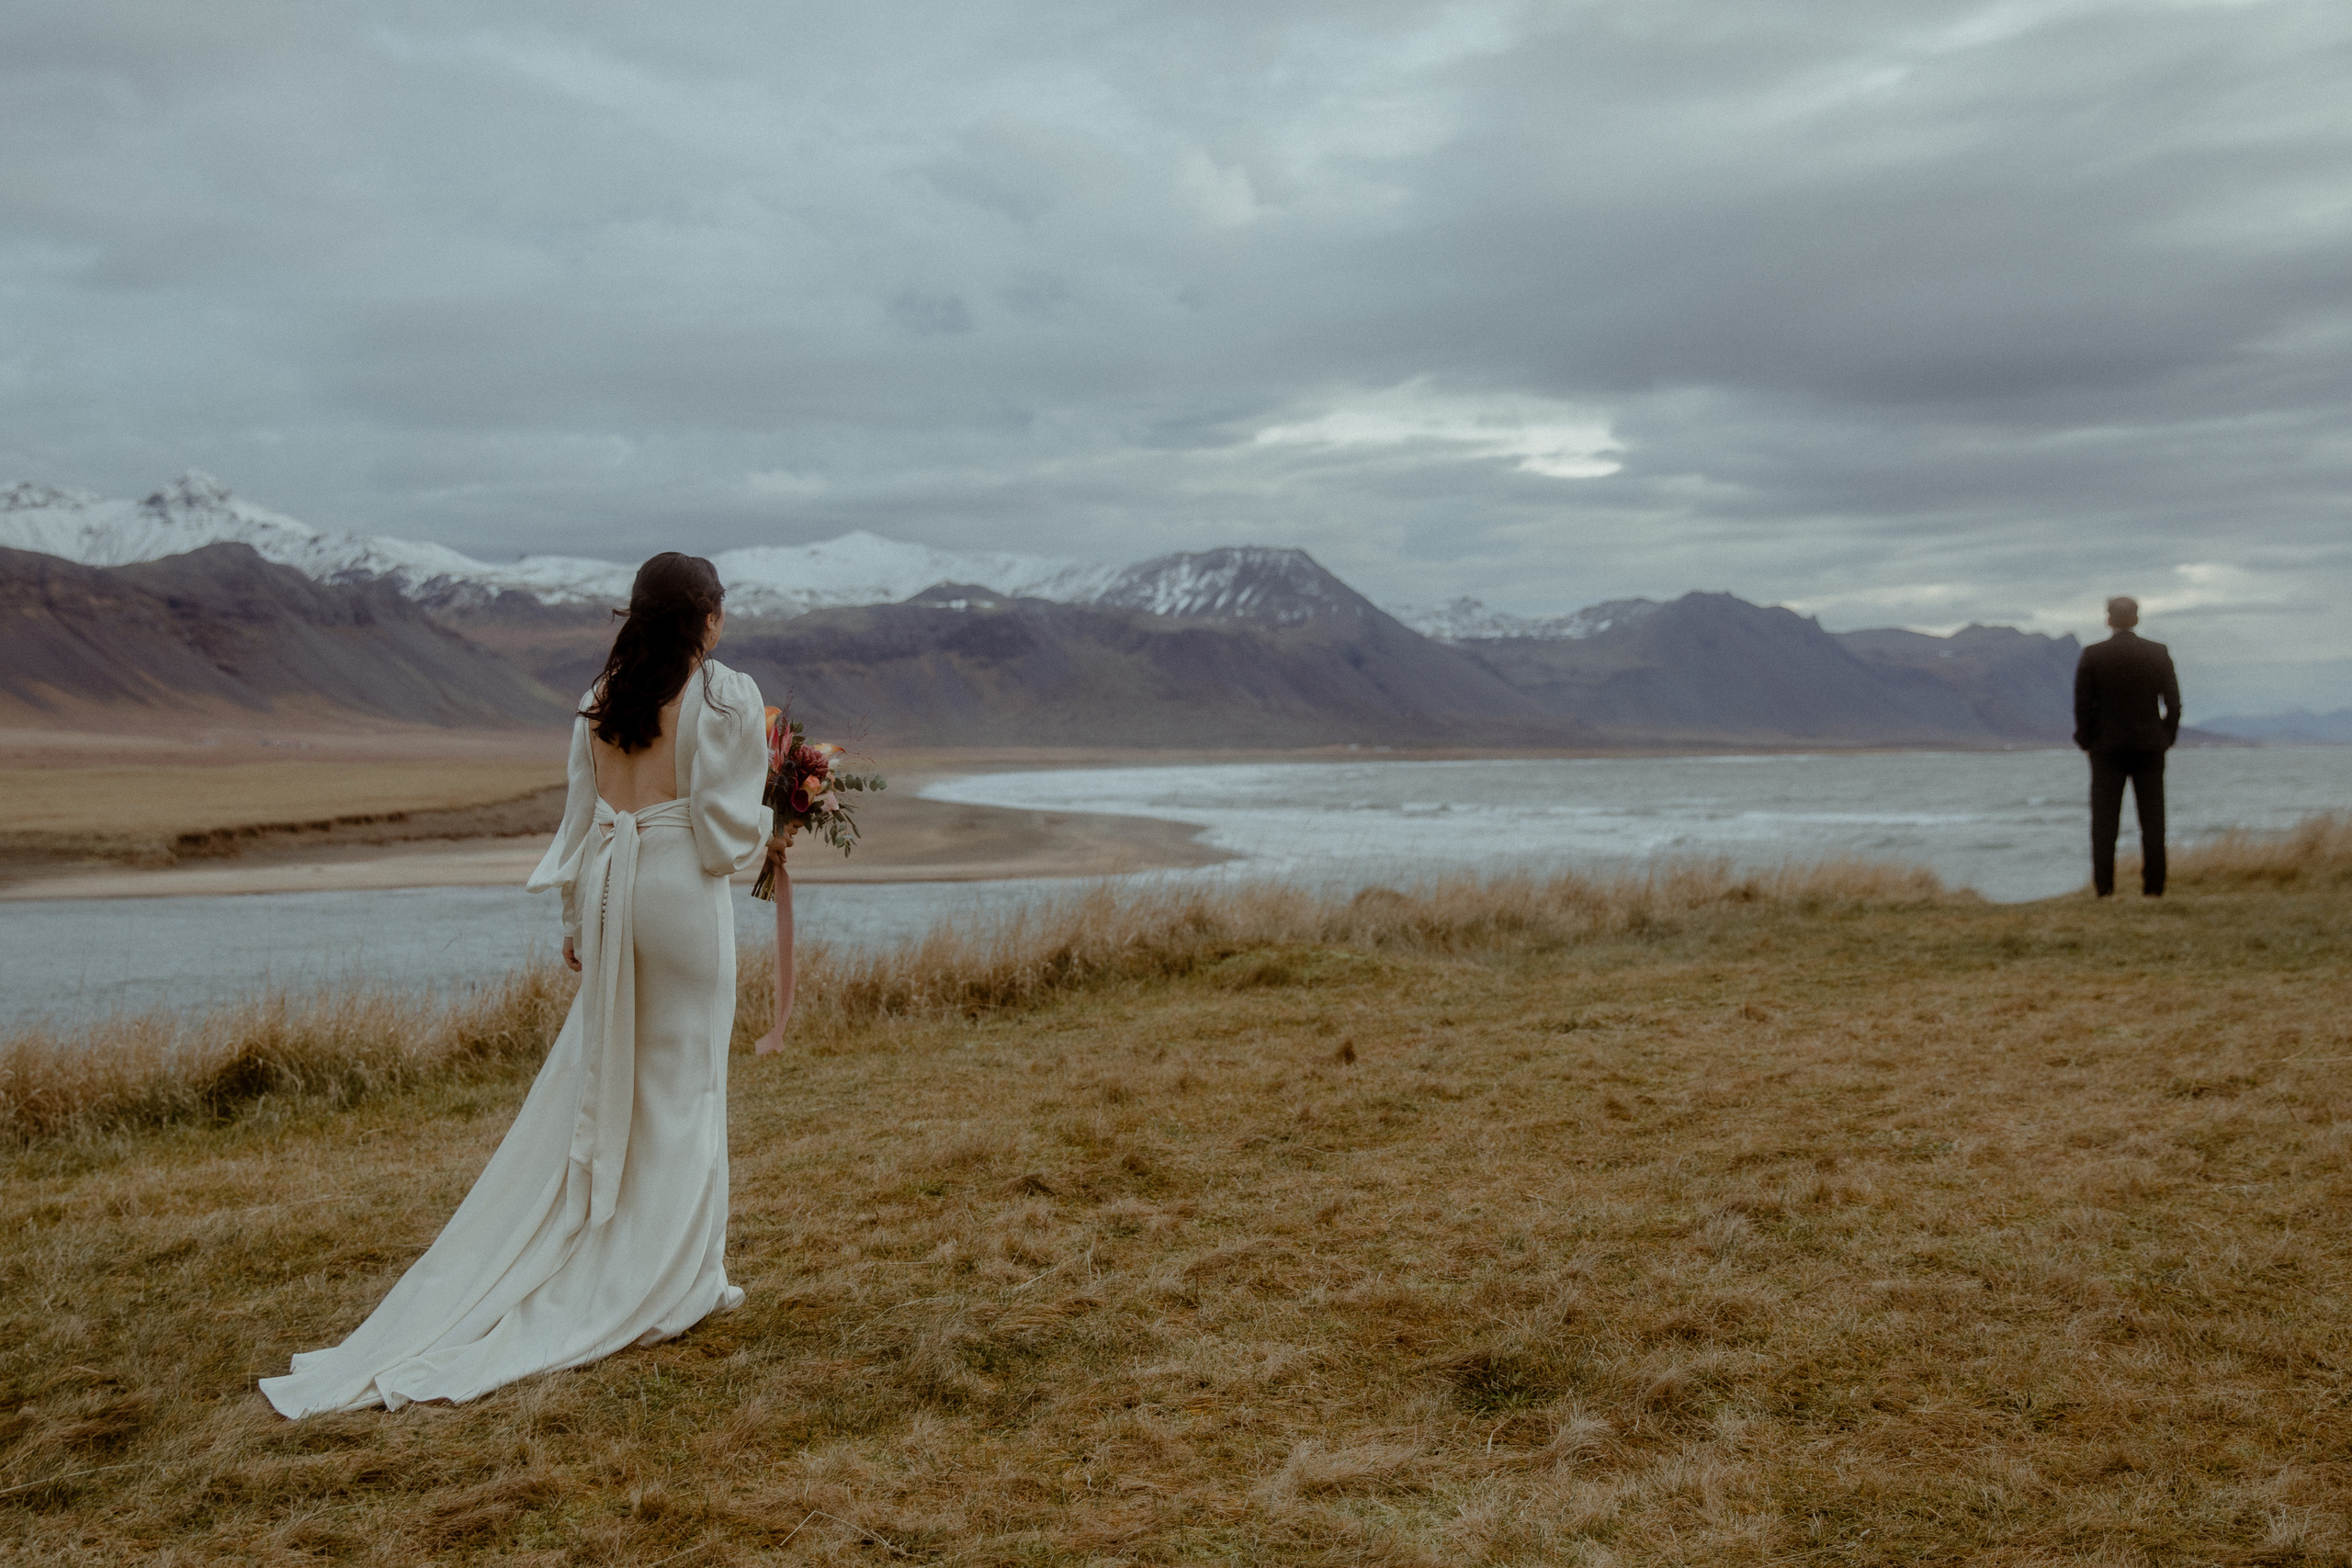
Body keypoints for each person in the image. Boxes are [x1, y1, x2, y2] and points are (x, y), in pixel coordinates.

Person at [261, 553, 770, 1417]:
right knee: (688, 1086)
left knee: (624, 1078)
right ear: (707, 619)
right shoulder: (727, 698)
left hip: (613, 891)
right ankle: (681, 1278)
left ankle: (644, 1253)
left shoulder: (600, 699)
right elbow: (726, 835)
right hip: (680, 894)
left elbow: (581, 824)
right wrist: (775, 831)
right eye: (719, 611)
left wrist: (575, 923)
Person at [2073, 594, 2180, 897]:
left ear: (2108, 619)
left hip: (2106, 748)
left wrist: (2086, 741)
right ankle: (2154, 889)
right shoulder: (2157, 653)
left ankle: (2105, 890)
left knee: (2104, 823)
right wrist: (2165, 738)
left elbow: (2082, 705)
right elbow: (2173, 703)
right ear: (2136, 619)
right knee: (2153, 821)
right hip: (2149, 747)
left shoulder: (2093, 655)